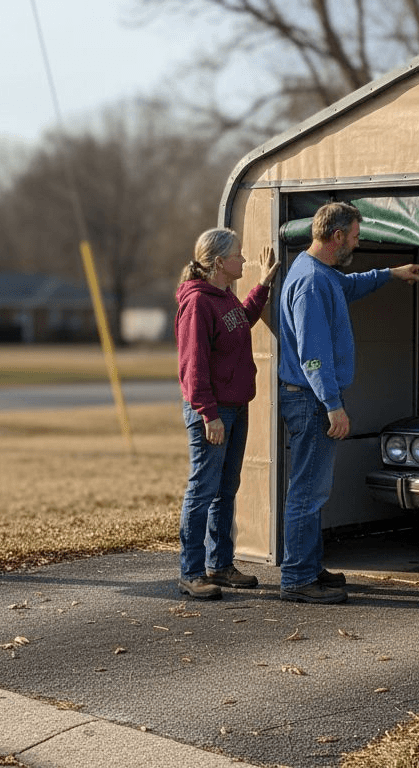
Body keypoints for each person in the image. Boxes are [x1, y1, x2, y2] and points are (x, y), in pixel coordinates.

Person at [277, 202, 419, 603]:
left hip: (312, 399)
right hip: (311, 402)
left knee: (313, 490)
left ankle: (308, 567)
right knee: (307, 492)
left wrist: (391, 275)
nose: (358, 244)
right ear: (337, 236)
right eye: (356, 236)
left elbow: (352, 285)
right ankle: (296, 579)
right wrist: (332, 404)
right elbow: (312, 354)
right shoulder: (310, 283)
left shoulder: (322, 274)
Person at [175, 227, 279, 600]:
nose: (244, 260)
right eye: (238, 255)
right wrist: (208, 413)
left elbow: (241, 323)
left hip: (236, 407)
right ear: (219, 262)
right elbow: (193, 366)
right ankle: (191, 572)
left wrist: (263, 285)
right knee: (203, 490)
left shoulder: (224, 298)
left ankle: (220, 565)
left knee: (225, 489)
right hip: (214, 412)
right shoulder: (199, 303)